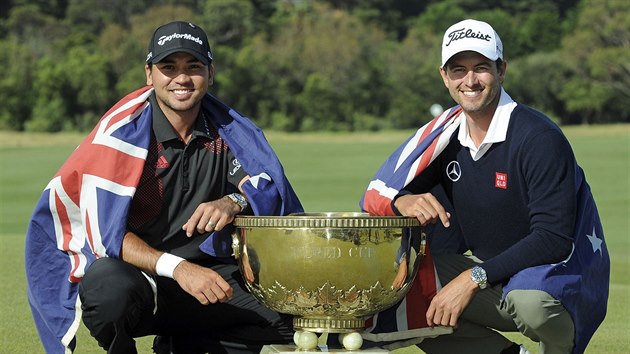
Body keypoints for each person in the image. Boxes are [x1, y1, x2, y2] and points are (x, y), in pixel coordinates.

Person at [25, 21, 303, 354]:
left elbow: (265, 191)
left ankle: (188, 344)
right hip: (144, 281)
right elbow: (105, 234)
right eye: (168, 67)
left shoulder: (229, 132)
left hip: (212, 278)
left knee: (297, 321)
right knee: (106, 287)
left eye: (194, 67)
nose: (182, 78)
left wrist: (232, 201)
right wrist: (179, 269)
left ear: (210, 73)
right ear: (149, 74)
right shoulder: (120, 137)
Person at [360, 19, 609, 354]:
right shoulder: (444, 139)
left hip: (556, 278)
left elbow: (553, 238)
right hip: (496, 277)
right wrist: (402, 202)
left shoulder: (538, 137)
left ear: (501, 70)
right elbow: (386, 192)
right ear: (444, 76)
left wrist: (473, 278)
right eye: (458, 70)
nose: (470, 80)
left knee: (529, 303)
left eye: (481, 67)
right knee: (401, 282)